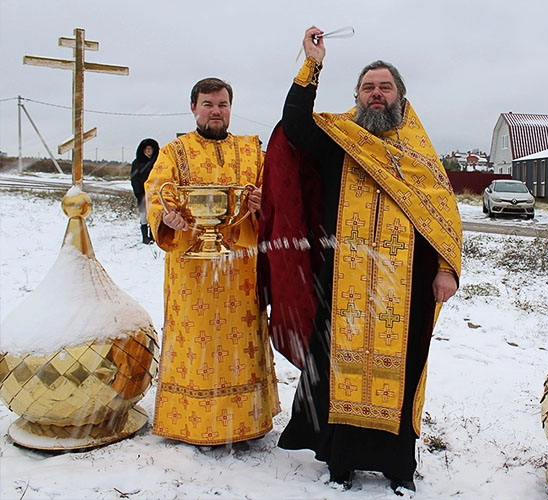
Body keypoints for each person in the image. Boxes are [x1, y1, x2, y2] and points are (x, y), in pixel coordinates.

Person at [259, 27, 462, 493]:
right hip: (345, 281)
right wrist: (312, 64)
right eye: (368, 87)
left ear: (400, 97)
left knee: (403, 371)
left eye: (384, 87)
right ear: (357, 96)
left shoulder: (419, 155)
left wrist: (448, 268)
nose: (376, 94)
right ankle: (342, 463)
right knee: (339, 371)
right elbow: (294, 127)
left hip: (406, 285)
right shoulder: (341, 140)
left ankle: (399, 468)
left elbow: (441, 216)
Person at [144, 77, 279, 446]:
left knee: (243, 341)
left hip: (240, 270)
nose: (215, 111)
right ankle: (191, 420)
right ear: (193, 108)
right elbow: (157, 192)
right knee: (195, 342)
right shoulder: (174, 151)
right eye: (208, 104)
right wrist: (166, 217)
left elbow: (276, 191)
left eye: (222, 104)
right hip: (192, 270)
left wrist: (263, 202)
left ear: (230, 108)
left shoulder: (253, 152)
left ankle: (245, 422)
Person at [131, 138, 158, 244]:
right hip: (142, 193)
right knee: (144, 215)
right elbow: (134, 179)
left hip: (155, 193)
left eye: (150, 148)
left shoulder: (157, 162)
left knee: (154, 213)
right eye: (146, 149)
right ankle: (145, 237)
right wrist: (138, 192)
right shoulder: (137, 163)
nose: (148, 151)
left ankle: (153, 235)